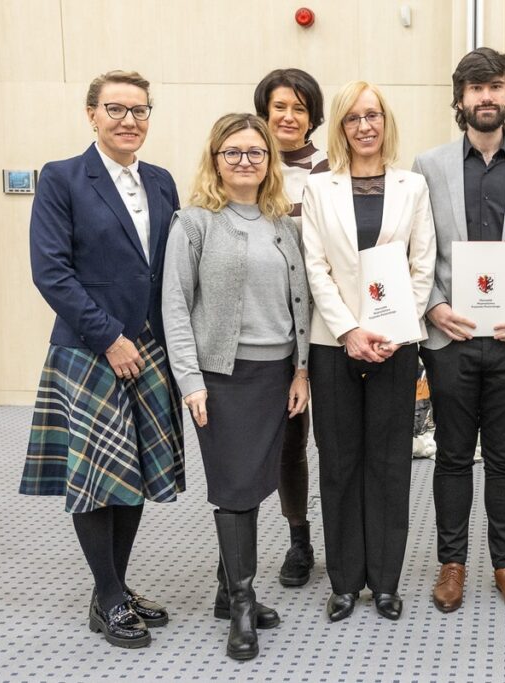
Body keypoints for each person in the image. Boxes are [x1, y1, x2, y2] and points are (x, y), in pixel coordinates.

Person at [20, 70, 184, 649]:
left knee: (131, 471)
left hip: (150, 348)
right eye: (115, 109)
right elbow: (52, 272)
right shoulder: (63, 178)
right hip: (92, 350)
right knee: (96, 476)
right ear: (91, 114)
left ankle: (113, 586)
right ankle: (109, 596)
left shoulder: (162, 182)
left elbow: (166, 272)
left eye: (140, 110)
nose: (129, 120)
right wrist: (110, 337)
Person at [413, 47, 505, 616]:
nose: (485, 98)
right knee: (452, 454)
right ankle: (452, 563)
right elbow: (415, 249)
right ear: (459, 100)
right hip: (450, 337)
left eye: (495, 87)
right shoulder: (428, 166)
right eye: (475, 89)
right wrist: (431, 306)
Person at [162, 113, 311, 660]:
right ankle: (243, 604)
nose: (245, 161)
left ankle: (229, 592)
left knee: (254, 483)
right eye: (233, 152)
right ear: (215, 159)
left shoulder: (282, 224)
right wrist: (191, 380)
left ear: (270, 161)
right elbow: (175, 305)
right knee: (234, 488)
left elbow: (302, 304)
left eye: (256, 152)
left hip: (276, 377)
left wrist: (300, 370)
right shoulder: (195, 221)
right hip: (222, 379)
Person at [302, 81, 436, 622]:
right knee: (338, 463)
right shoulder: (318, 189)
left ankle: (384, 582)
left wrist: (398, 329)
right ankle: (343, 581)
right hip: (334, 343)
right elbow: (315, 268)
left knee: (387, 464)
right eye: (353, 117)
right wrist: (349, 331)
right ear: (340, 126)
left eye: (373, 115)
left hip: (396, 342)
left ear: (386, 122)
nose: (364, 126)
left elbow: (422, 266)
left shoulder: (414, 187)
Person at [253, 67, 329, 588]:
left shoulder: (330, 170)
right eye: (280, 106)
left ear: (313, 118)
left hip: (329, 324)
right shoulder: (247, 166)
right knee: (288, 438)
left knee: (340, 437)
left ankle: (349, 535)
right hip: (275, 328)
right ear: (264, 112)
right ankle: (299, 538)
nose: (288, 116)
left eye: (299, 108)